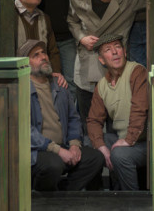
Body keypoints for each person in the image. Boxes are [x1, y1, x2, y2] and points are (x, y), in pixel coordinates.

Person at [68, 0, 146, 136]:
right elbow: (72, 20)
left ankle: (114, 152)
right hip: (87, 65)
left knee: (115, 124)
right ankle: (91, 152)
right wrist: (81, 38)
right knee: (88, 123)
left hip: (115, 67)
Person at [23, 39, 104, 191]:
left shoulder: (59, 84)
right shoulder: (21, 89)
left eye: (44, 53)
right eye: (36, 55)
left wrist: (74, 145)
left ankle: (64, 195)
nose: (43, 57)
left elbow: (73, 118)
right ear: (25, 64)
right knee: (54, 164)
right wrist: (57, 150)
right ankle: (41, 197)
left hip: (63, 146)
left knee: (95, 158)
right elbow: (24, 130)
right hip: (39, 150)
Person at [87, 33, 149, 191]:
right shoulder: (102, 85)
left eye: (117, 47)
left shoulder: (137, 72)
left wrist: (128, 140)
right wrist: (101, 146)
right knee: (92, 143)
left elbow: (139, 109)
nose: (114, 52)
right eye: (108, 50)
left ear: (125, 52)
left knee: (119, 155)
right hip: (123, 139)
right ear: (102, 60)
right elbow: (93, 120)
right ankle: (101, 195)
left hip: (145, 142)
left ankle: (132, 199)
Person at [14, 0, 67, 88]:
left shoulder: (44, 18)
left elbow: (52, 50)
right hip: (17, 78)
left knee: (62, 88)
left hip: (42, 76)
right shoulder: (9, 16)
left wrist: (56, 72)